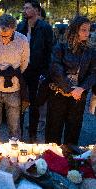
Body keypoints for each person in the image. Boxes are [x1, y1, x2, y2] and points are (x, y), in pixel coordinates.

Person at [45, 16, 96, 145]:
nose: (87, 33)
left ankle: (71, 161)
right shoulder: (61, 46)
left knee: (73, 131)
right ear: (75, 30)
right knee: (53, 131)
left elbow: (93, 73)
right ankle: (50, 161)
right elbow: (55, 69)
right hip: (59, 93)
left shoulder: (90, 50)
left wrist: (81, 88)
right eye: (83, 30)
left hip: (78, 96)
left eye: (88, 30)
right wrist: (70, 89)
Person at [0, 14, 29, 142]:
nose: (4, 40)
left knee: (14, 126)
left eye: (7, 36)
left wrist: (11, 74)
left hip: (14, 88)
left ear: (14, 30)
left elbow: (24, 63)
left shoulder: (22, 40)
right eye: (1, 36)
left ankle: (14, 154)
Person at [17, 0, 53, 142]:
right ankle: (17, 134)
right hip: (21, 70)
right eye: (24, 8)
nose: (24, 10)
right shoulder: (20, 26)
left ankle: (32, 134)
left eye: (27, 8)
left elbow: (49, 51)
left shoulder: (45, 28)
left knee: (35, 104)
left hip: (37, 71)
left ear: (36, 10)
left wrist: (46, 72)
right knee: (19, 102)